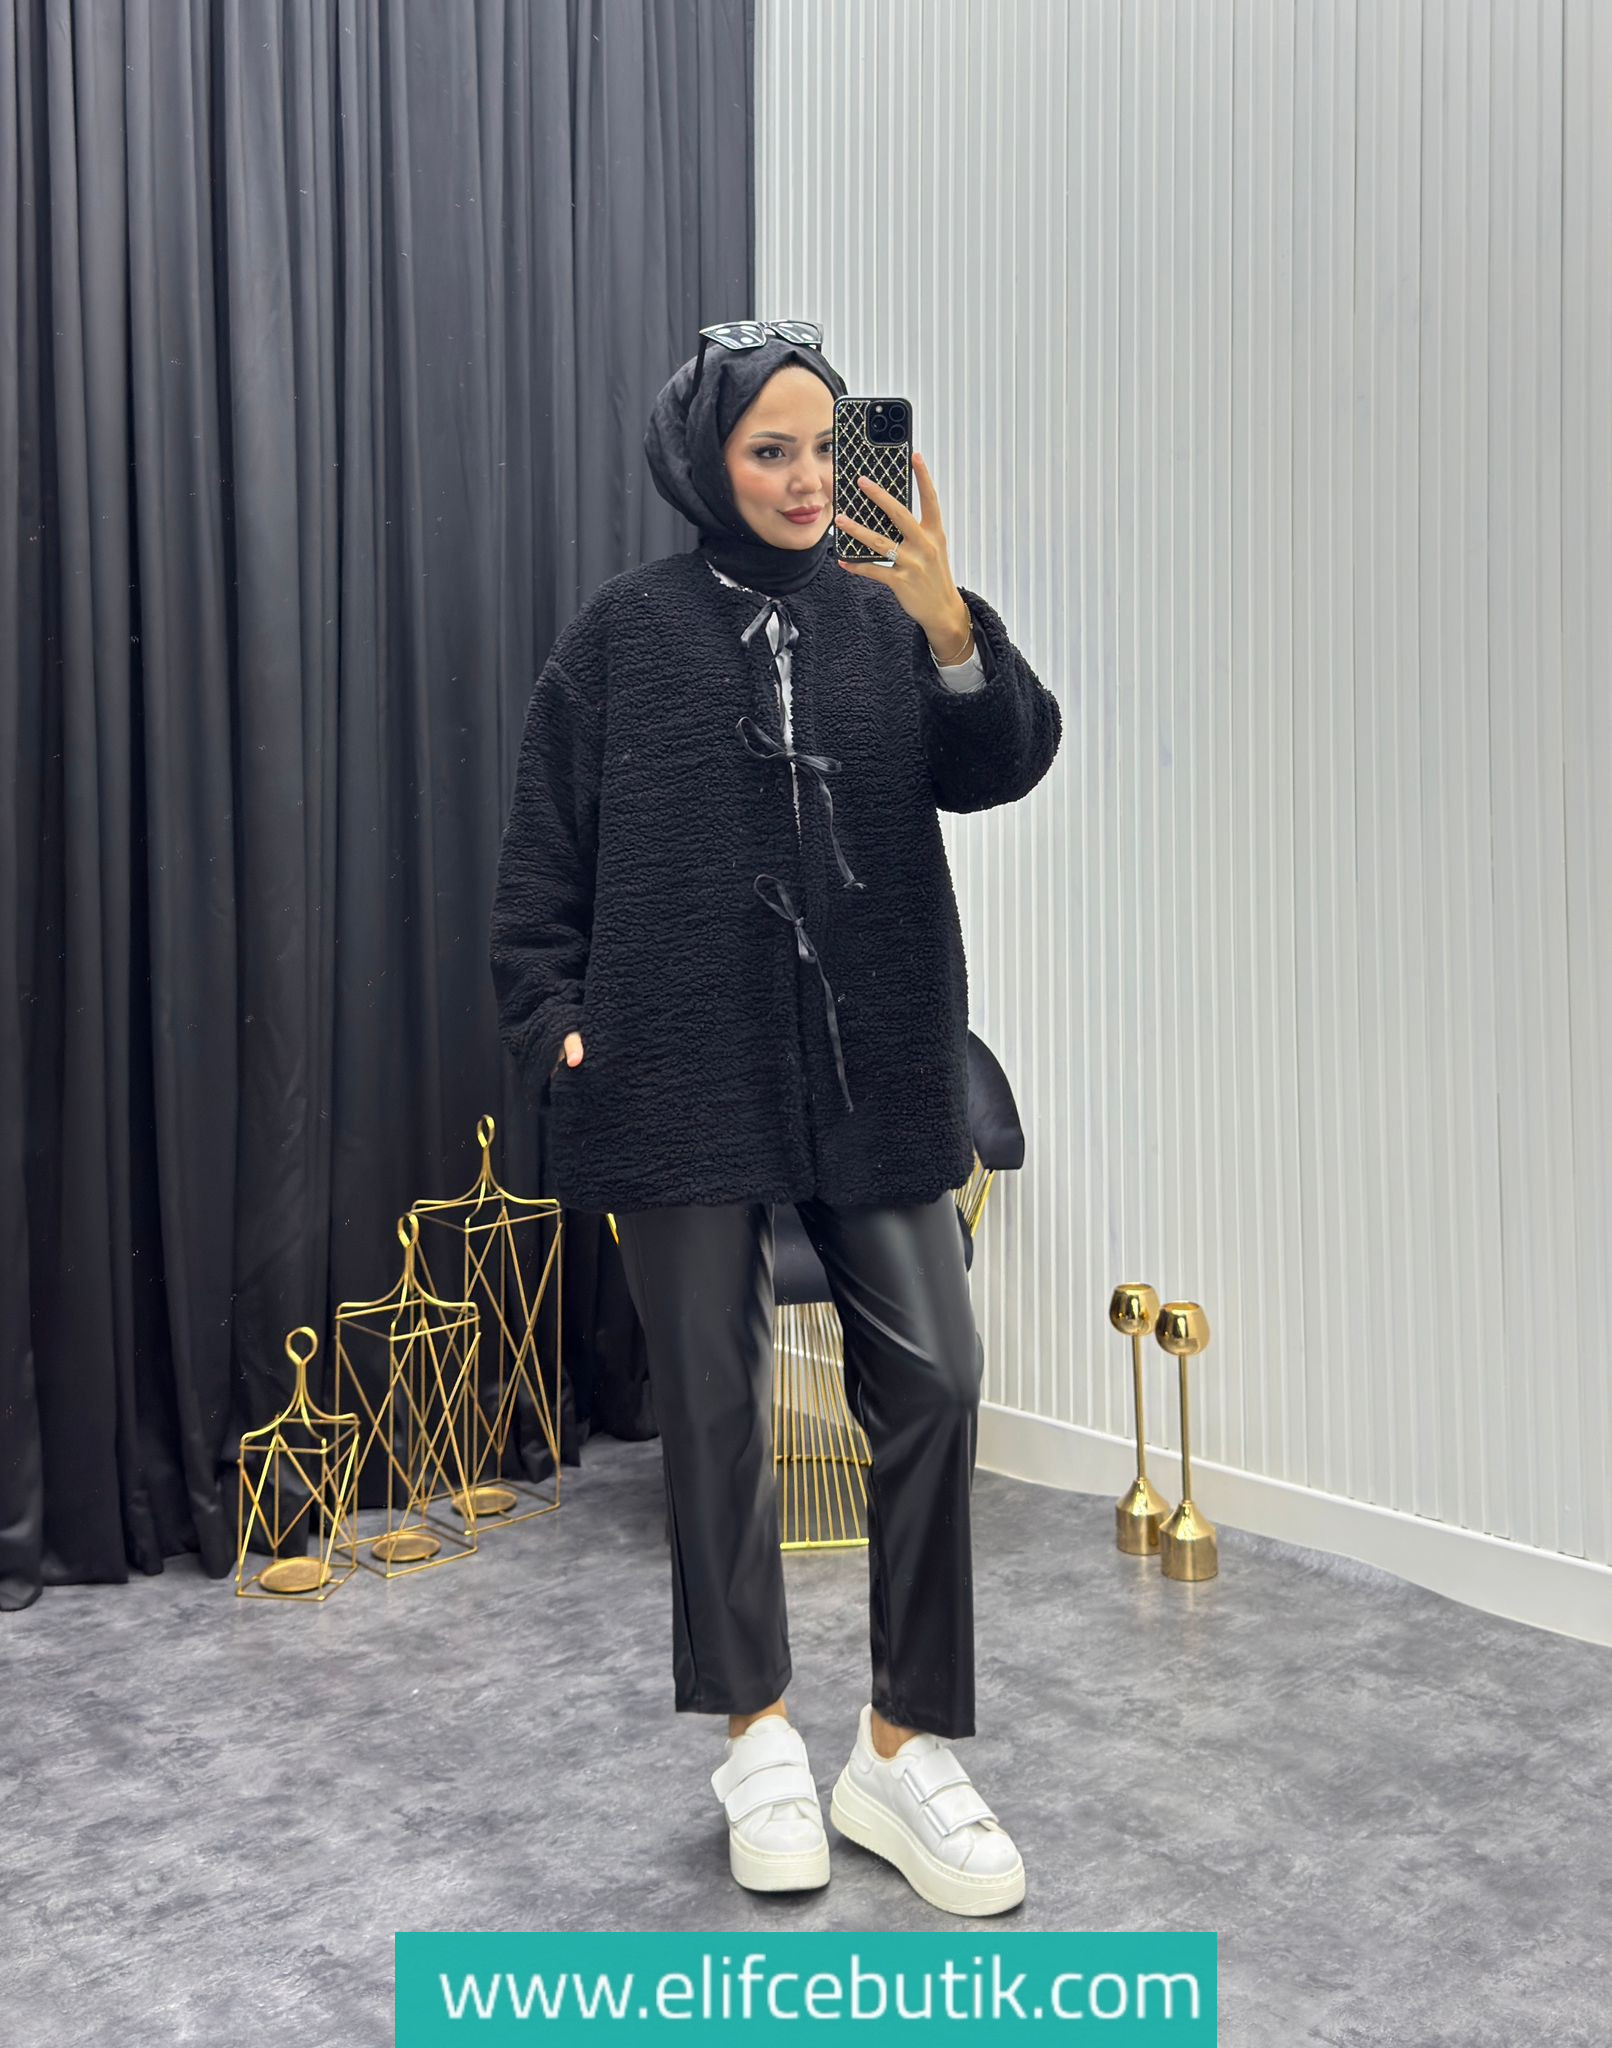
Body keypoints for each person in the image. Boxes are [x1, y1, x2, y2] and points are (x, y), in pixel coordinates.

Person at [489, 321, 1062, 1917]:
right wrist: (559, 1026)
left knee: (937, 1378)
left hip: (875, 1065)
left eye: (824, 448)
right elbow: (538, 867)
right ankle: (754, 1737)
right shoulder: (622, 635)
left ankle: (900, 1746)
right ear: (705, 461)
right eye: (770, 451)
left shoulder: (893, 620)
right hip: (678, 1069)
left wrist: (952, 628)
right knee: (718, 1404)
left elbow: (1002, 763)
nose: (808, 480)